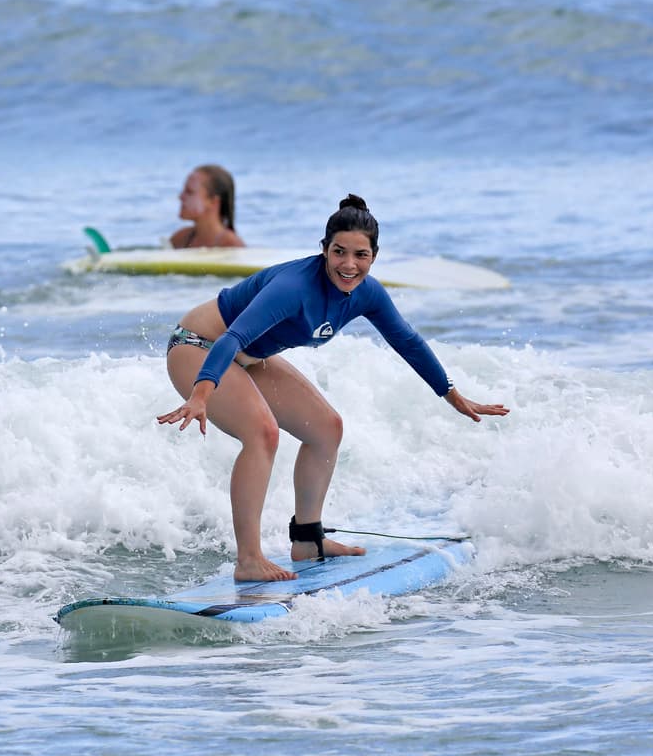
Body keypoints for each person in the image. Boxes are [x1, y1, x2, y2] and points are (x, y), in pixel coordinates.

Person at [157, 194, 509, 582]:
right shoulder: (293, 287)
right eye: (339, 252)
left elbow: (407, 341)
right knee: (262, 434)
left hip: (247, 358)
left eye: (361, 255)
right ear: (324, 250)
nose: (349, 265)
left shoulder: (367, 293)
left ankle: (307, 540)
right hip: (198, 347)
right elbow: (234, 337)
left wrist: (452, 394)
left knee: (326, 428)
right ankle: (249, 560)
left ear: (374, 256)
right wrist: (202, 394)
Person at [169, 165, 245, 248]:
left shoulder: (231, 244)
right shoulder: (180, 239)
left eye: (189, 192)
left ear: (213, 201)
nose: (181, 197)